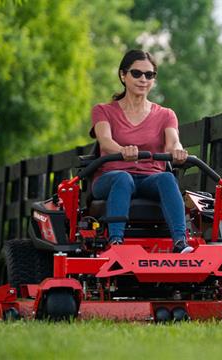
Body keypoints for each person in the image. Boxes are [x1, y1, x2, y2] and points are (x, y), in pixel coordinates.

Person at [90, 49, 193, 254]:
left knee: (166, 178)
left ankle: (180, 243)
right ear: (123, 75)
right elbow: (105, 141)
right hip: (111, 178)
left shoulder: (166, 114)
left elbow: (173, 142)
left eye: (149, 75)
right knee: (123, 178)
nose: (143, 79)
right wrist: (123, 150)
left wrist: (179, 151)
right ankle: (116, 242)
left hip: (149, 179)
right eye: (136, 73)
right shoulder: (103, 110)